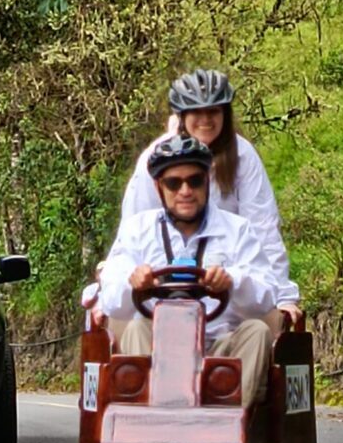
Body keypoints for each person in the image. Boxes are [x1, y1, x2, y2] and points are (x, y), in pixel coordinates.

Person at [97, 134, 278, 406]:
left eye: (194, 180)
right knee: (135, 328)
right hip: (159, 345)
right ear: (160, 188)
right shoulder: (137, 230)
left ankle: (230, 428)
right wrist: (132, 281)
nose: (185, 191)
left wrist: (232, 281)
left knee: (257, 330)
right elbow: (111, 300)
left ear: (207, 182)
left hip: (219, 345)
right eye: (174, 183)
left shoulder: (237, 229)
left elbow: (267, 295)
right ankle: (148, 427)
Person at [120, 69, 301, 324]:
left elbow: (263, 228)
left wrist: (282, 295)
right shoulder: (155, 158)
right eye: (196, 112)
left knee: (266, 329)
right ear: (181, 116)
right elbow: (133, 229)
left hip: (226, 281)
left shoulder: (243, 157)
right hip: (162, 289)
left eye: (213, 111)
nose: (205, 120)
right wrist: (131, 279)